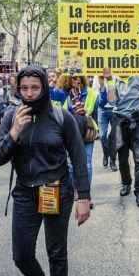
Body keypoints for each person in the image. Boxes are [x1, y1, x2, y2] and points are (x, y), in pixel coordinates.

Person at [0, 65, 90, 276]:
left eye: (35, 88)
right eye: (24, 88)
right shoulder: (11, 117)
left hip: (56, 189)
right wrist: (14, 132)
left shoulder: (61, 116)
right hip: (25, 192)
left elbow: (78, 157)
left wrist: (83, 197)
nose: (29, 93)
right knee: (21, 255)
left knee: (56, 252)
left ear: (45, 87)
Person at [104, 66, 139, 206]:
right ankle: (126, 184)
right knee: (122, 159)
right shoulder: (114, 79)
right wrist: (109, 81)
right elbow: (111, 102)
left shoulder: (138, 78)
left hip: (137, 122)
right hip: (120, 122)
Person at [51, 74, 107, 209]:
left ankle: (86, 194)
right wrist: (53, 80)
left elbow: (102, 102)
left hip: (86, 130)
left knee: (87, 163)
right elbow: (47, 94)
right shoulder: (63, 94)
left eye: (79, 78)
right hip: (69, 132)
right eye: (74, 78)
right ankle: (76, 189)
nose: (77, 80)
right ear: (67, 79)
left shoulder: (90, 93)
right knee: (70, 164)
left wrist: (102, 85)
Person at [92, 75, 117, 171]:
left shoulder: (117, 73)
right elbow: (95, 91)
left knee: (114, 136)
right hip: (102, 109)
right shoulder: (97, 75)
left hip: (114, 109)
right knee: (102, 135)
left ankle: (113, 160)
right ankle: (106, 153)